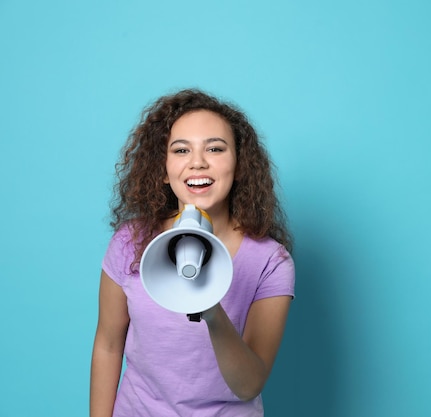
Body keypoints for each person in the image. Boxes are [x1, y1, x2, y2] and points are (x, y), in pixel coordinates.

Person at [90, 89, 295, 417]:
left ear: (240, 165)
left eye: (215, 148)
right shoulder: (130, 243)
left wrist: (211, 312)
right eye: (181, 149)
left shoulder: (271, 262)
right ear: (163, 167)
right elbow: (108, 344)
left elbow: (249, 385)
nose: (197, 162)